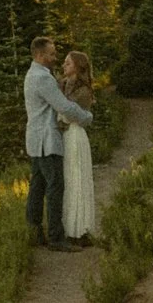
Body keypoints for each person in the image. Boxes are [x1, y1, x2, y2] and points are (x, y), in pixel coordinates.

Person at [23, 35, 92, 251]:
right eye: (52, 54)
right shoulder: (43, 78)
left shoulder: (33, 73)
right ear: (41, 55)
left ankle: (34, 231)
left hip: (36, 139)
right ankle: (56, 237)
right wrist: (86, 117)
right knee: (55, 186)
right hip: (46, 139)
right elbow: (63, 106)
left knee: (38, 186)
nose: (56, 58)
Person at [59, 49, 98, 244]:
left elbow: (68, 113)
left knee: (77, 179)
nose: (64, 65)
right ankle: (69, 227)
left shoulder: (83, 90)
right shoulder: (63, 85)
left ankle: (80, 229)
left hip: (75, 135)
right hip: (66, 135)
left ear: (77, 67)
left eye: (68, 63)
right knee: (68, 180)